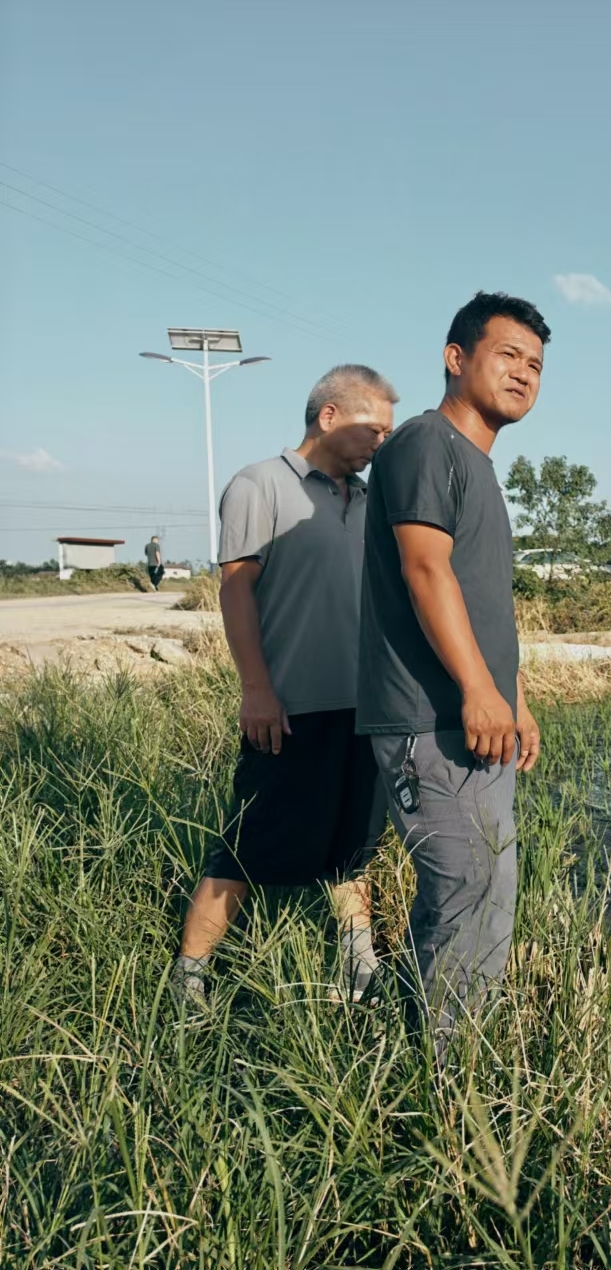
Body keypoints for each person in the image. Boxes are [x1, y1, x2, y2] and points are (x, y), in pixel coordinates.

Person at [171, 365, 399, 1006]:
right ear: (329, 416)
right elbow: (236, 587)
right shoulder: (259, 484)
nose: (380, 443)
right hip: (291, 705)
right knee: (248, 844)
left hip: (365, 706)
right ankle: (189, 977)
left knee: (354, 847)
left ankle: (360, 969)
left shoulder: (368, 497)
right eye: (371, 429)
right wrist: (256, 689)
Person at [357, 292, 547, 1047]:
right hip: (428, 718)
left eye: (535, 364)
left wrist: (515, 699)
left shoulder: (476, 464)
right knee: (467, 887)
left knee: (485, 889)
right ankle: (448, 1082)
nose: (524, 373)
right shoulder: (426, 445)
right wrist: (475, 688)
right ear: (456, 357)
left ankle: (413, 1049)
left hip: (474, 717)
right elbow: (425, 570)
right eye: (508, 355)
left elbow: (481, 599)